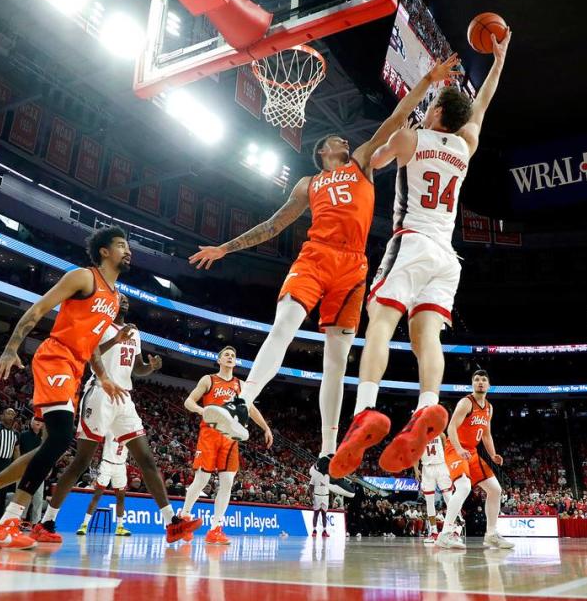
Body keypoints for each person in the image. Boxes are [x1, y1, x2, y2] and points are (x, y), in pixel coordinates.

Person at [188, 55, 463, 494]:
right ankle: (243, 403)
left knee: (336, 365)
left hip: (353, 266)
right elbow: (274, 224)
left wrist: (427, 81)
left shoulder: (362, 163)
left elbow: (396, 117)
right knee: (284, 324)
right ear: (323, 152)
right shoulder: (307, 184)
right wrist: (226, 247)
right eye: (333, 138)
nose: (340, 139)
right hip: (315, 258)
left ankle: (329, 455)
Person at [331, 32, 511, 479]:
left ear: (435, 113)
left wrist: (422, 87)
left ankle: (365, 410)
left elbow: (371, 156)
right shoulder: (466, 145)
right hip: (446, 258)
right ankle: (426, 409)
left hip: (410, 242)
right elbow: (482, 104)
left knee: (380, 321)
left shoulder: (413, 139)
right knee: (425, 337)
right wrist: (500, 59)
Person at [0, 227, 198, 549]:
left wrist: (105, 376)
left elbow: (92, 346)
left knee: (54, 445)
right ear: (104, 251)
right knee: (61, 439)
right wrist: (12, 347)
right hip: (55, 358)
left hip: (76, 370)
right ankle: (7, 521)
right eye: (122, 245)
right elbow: (38, 309)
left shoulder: (112, 299)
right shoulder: (84, 277)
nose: (129, 251)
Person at [29, 291, 198, 544]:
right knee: (81, 462)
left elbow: (137, 368)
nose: (125, 301)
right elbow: (88, 353)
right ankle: (46, 522)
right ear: (112, 303)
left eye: (128, 300)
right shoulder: (101, 323)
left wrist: (150, 367)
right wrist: (116, 338)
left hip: (124, 397)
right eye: (121, 298)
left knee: (147, 460)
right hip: (99, 392)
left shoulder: (135, 332)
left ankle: (171, 523)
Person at [180, 346, 272, 546]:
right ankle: (185, 517)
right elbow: (188, 401)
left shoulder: (241, 385)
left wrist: (265, 427)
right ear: (219, 360)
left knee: (228, 483)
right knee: (202, 479)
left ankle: (215, 529)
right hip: (209, 434)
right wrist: (200, 410)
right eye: (226, 355)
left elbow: (251, 408)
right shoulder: (208, 379)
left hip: (230, 438)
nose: (230, 357)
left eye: (233, 355)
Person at [435, 371, 513, 550]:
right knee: (464, 486)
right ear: (472, 384)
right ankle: (445, 534)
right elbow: (451, 427)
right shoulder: (465, 402)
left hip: (471, 452)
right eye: (477, 380)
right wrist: (459, 448)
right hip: (455, 448)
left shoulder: (489, 408)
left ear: (488, 385)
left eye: (484, 380)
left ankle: (491, 535)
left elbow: (486, 434)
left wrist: (493, 454)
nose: (480, 382)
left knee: (495, 490)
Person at [75, 434, 131, 536]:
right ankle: (84, 525)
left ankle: (120, 527)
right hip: (107, 464)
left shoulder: (129, 432)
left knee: (121, 498)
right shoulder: (110, 428)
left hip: (121, 467)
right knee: (97, 495)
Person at [416, 432, 453, 544]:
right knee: (429, 502)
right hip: (427, 468)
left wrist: (450, 466)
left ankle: (453, 530)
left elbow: (447, 452)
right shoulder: (418, 437)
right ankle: (434, 532)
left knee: (449, 498)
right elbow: (415, 454)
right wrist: (415, 469)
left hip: (441, 466)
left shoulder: (440, 434)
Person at [17, 418, 45, 524]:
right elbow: (17, 451)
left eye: (40, 421)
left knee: (38, 496)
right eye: (35, 420)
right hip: (24, 469)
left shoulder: (44, 437)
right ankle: (20, 519)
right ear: (30, 422)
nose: (38, 422)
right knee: (22, 495)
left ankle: (36, 522)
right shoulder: (23, 435)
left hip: (40, 470)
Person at [310, 465, 329, 538]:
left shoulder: (328, 476)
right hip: (317, 496)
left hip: (326, 496)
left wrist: (331, 498)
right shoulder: (314, 475)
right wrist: (311, 495)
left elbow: (331, 487)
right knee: (316, 513)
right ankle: (314, 530)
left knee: (324, 514)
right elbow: (311, 486)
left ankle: (324, 531)